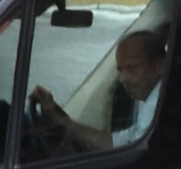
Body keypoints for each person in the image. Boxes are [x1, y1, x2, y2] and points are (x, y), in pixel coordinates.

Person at [30, 28, 167, 156]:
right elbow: (118, 143)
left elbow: (133, 155)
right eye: (120, 70)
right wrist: (65, 122)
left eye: (132, 68)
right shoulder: (152, 100)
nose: (124, 78)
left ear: (159, 66)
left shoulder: (158, 102)